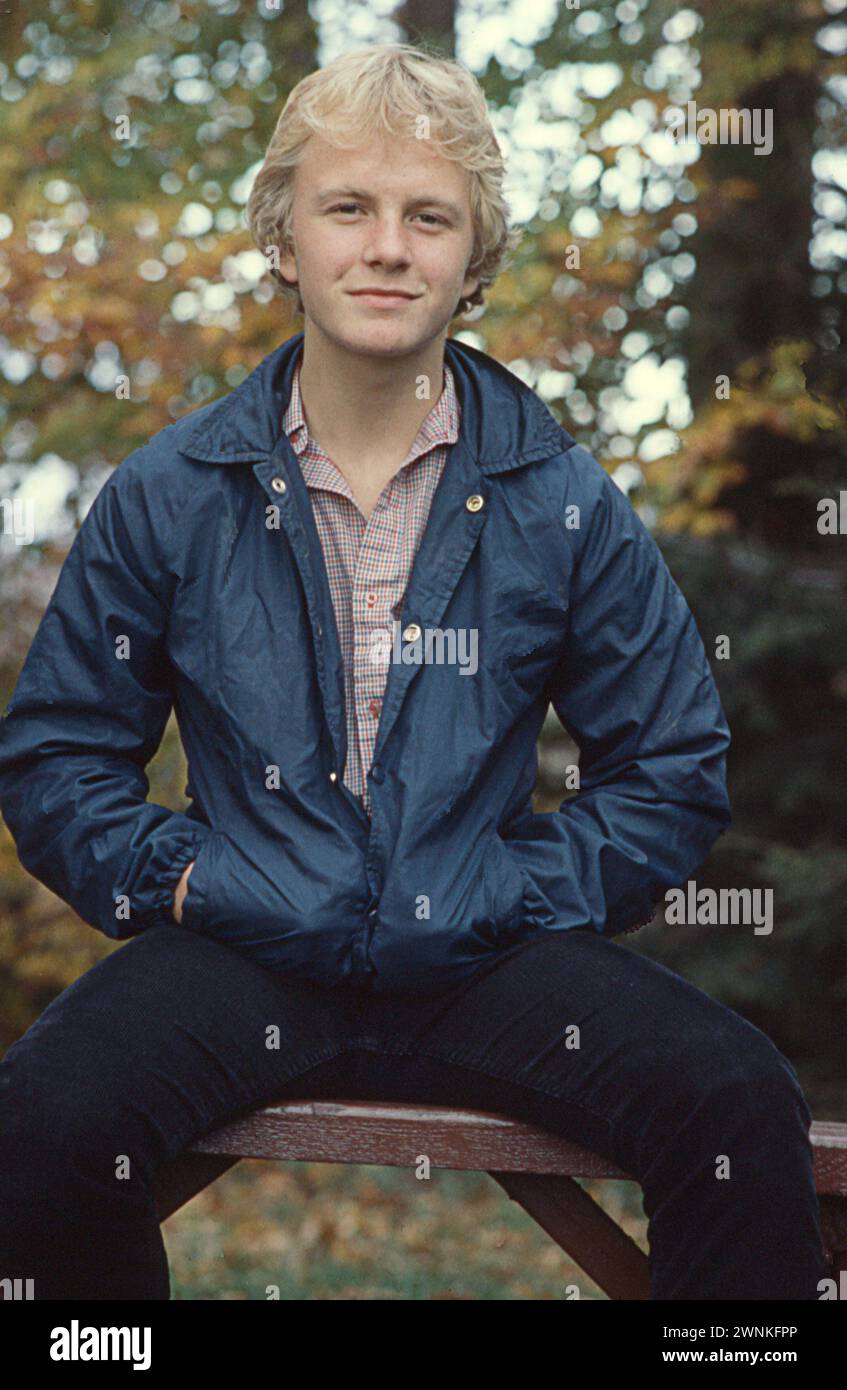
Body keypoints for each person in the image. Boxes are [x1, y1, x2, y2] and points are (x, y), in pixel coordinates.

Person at [0, 43, 829, 1301]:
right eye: (350, 207)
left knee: (735, 1101)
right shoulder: (174, 493)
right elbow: (59, 755)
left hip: (482, 957)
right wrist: (185, 876)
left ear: (471, 259)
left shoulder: (556, 492)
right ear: (285, 237)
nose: (387, 246)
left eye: (426, 216)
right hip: (245, 945)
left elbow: (667, 764)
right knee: (44, 1124)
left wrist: (515, 885)